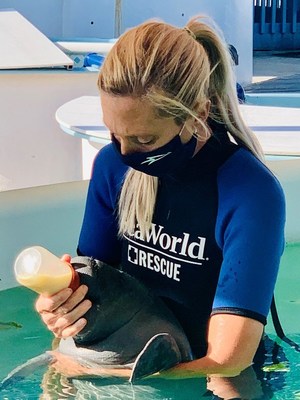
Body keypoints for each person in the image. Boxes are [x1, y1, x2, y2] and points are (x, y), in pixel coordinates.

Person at [35, 16, 285, 380]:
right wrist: (60, 306)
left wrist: (104, 374)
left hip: (210, 373)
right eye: (114, 133)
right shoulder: (112, 167)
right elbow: (93, 284)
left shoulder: (250, 192)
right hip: (123, 348)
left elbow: (229, 359)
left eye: (144, 140)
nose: (124, 152)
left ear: (196, 114)